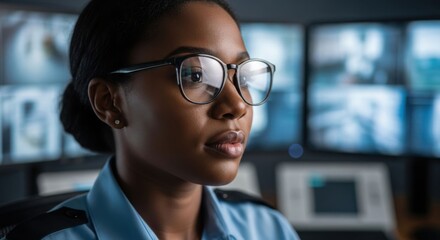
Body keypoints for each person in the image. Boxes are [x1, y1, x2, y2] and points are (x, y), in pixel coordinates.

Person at [4, 0, 300, 239]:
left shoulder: (268, 228)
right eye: (195, 75)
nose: (236, 104)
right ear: (110, 103)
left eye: (241, 75)